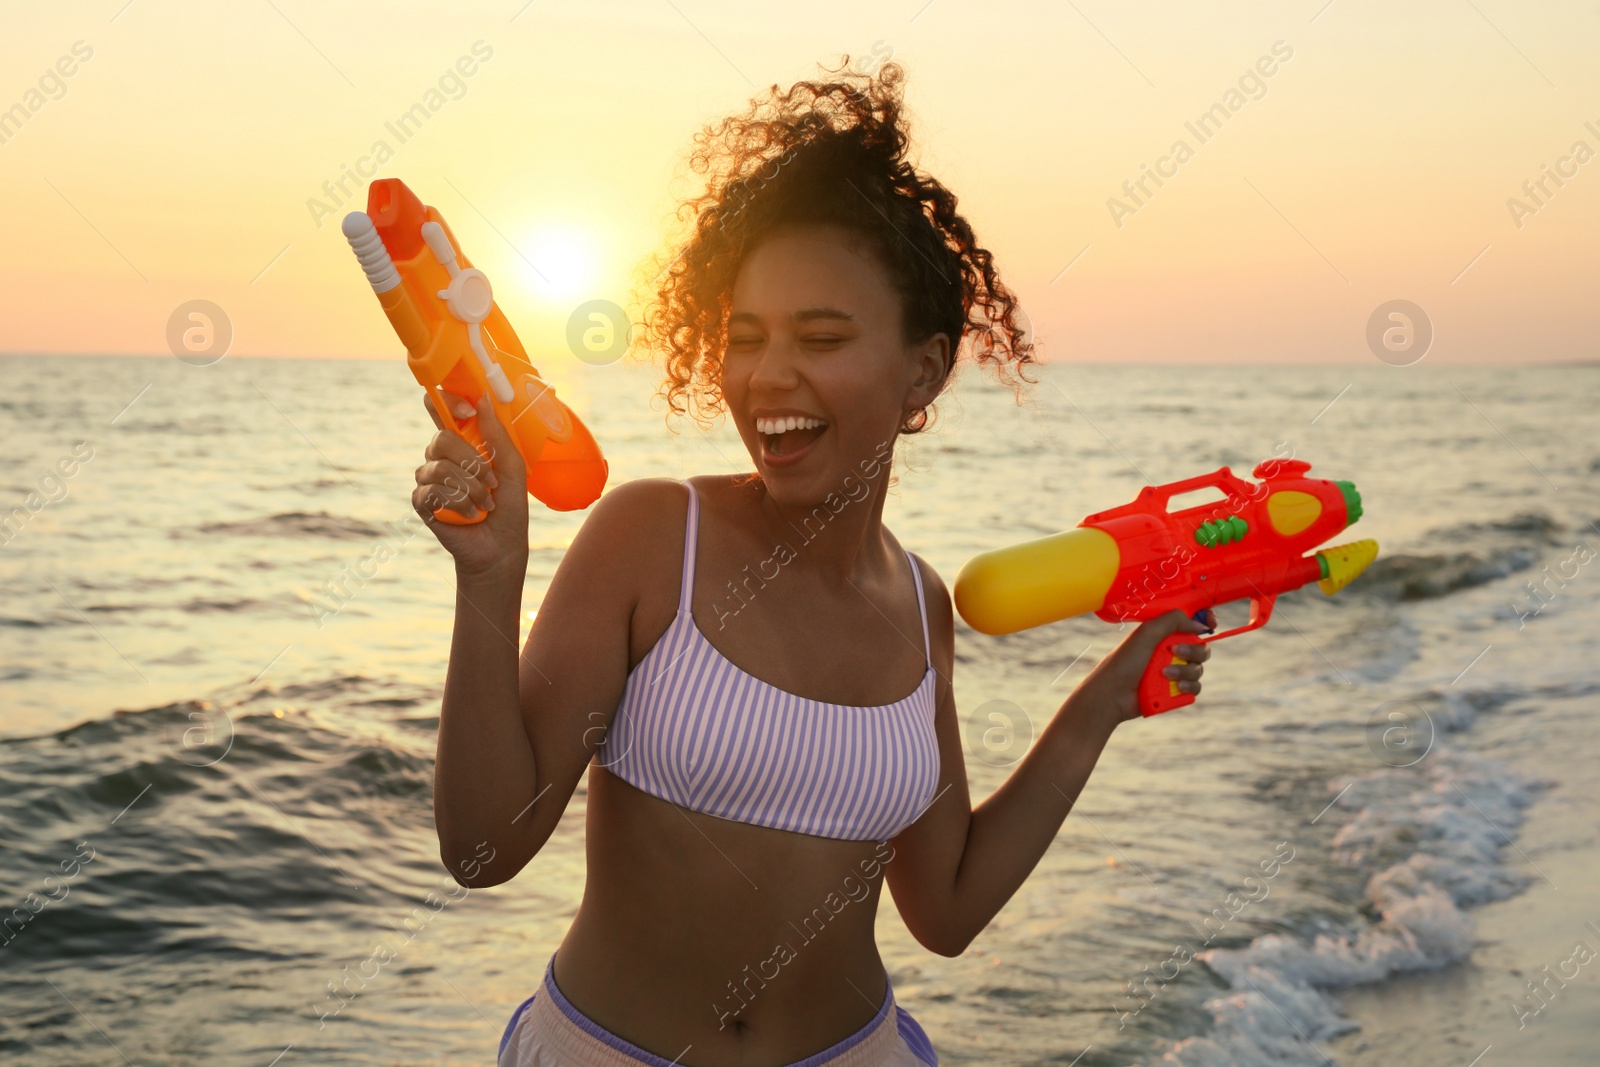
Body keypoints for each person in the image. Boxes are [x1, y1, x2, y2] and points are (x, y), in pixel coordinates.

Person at [413, 58, 1213, 1067]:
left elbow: (948, 905)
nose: (766, 376)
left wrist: (1106, 700)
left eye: (821, 337)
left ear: (921, 370)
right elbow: (482, 848)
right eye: (744, 337)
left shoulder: (920, 601)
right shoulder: (652, 537)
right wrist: (489, 578)